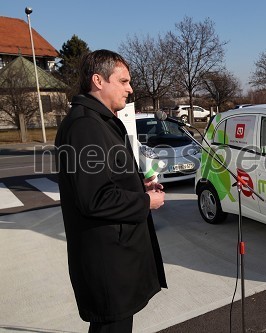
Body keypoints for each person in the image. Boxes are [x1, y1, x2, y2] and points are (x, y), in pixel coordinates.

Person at [55, 49, 167, 333]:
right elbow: (93, 198)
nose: (130, 89)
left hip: (117, 258)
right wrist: (145, 201)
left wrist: (137, 185)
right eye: (124, 81)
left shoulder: (100, 121)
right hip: (108, 263)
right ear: (98, 80)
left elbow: (105, 180)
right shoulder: (84, 127)